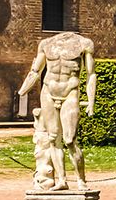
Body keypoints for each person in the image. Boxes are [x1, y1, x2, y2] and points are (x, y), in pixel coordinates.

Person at [19, 32, 96, 191]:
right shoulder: (46, 44)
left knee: (70, 140)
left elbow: (91, 74)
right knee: (53, 138)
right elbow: (35, 71)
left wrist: (91, 102)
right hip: (48, 92)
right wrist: (22, 91)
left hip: (70, 92)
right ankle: (62, 180)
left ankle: (81, 180)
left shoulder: (84, 44)